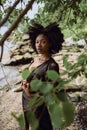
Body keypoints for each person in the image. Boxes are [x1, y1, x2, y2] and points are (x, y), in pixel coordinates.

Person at [21, 22, 64, 130]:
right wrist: (24, 83)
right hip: (26, 100)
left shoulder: (52, 65)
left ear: (50, 43)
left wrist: (30, 94)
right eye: (37, 42)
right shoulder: (35, 59)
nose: (39, 45)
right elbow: (30, 76)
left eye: (43, 42)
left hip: (38, 105)